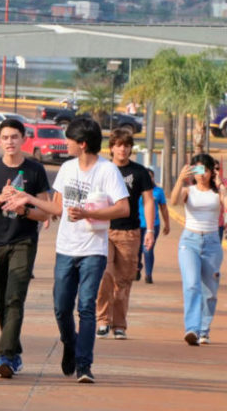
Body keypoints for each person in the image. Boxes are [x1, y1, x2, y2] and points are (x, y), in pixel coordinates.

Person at [4, 117, 129, 384]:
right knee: (61, 308)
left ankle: (84, 365)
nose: (66, 143)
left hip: (94, 250)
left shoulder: (108, 171)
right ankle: (70, 343)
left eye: (69, 140)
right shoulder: (67, 169)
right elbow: (58, 208)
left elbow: (123, 208)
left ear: (82, 144)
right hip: (66, 248)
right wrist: (28, 200)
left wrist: (87, 212)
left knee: (85, 306)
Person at [0, 119, 50, 378]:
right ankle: (14, 349)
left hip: (23, 242)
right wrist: (1, 198)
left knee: (14, 298)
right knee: (1, 302)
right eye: (5, 137)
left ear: (23, 139)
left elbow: (45, 213)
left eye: (15, 137)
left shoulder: (35, 170)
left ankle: (5, 356)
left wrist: (23, 209)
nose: (10, 142)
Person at [95, 129, 155, 340]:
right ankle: (102, 320)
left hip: (130, 233)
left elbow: (148, 201)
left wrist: (150, 230)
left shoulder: (139, 172)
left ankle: (119, 324)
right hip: (104, 230)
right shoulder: (102, 169)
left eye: (127, 145)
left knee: (123, 280)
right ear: (111, 147)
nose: (123, 149)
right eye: (119, 145)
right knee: (104, 275)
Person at [170, 154, 225, 346]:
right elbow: (175, 201)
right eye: (197, 170)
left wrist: (221, 186)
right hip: (189, 242)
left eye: (205, 170)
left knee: (210, 291)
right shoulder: (188, 190)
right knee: (192, 285)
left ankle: (204, 330)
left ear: (212, 172)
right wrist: (179, 178)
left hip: (212, 242)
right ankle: (191, 329)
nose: (201, 175)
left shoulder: (217, 193)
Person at [137, 168, 170, 284]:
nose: (148, 178)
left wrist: (167, 224)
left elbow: (164, 209)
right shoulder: (136, 190)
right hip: (136, 224)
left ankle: (148, 274)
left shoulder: (158, 191)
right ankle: (137, 267)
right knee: (137, 249)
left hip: (152, 225)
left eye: (150, 176)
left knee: (147, 249)